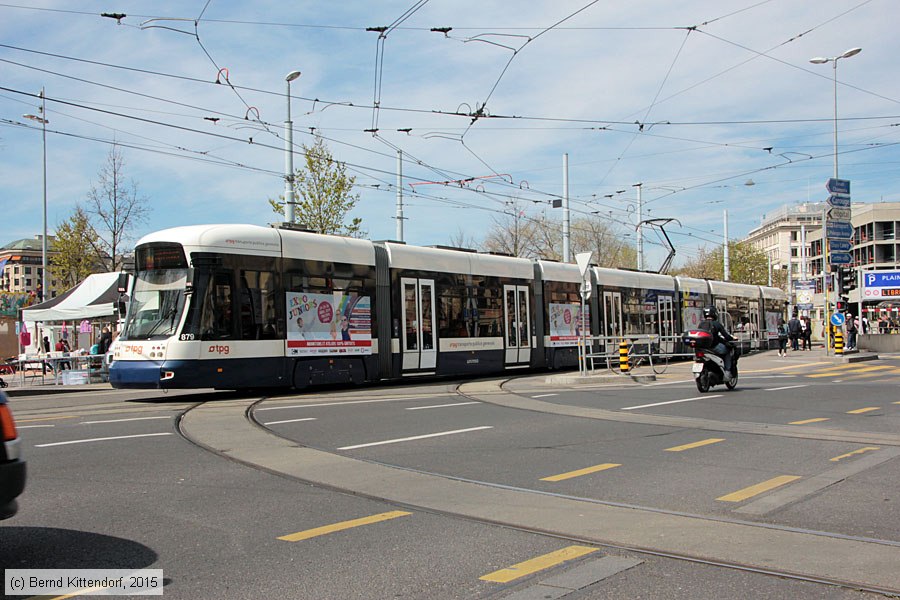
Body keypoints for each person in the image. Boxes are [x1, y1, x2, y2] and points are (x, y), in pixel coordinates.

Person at [697, 305, 736, 378]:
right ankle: (727, 371)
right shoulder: (717, 324)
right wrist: (732, 338)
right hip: (714, 347)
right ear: (714, 313)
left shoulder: (701, 324)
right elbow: (726, 336)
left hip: (703, 348)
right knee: (728, 351)